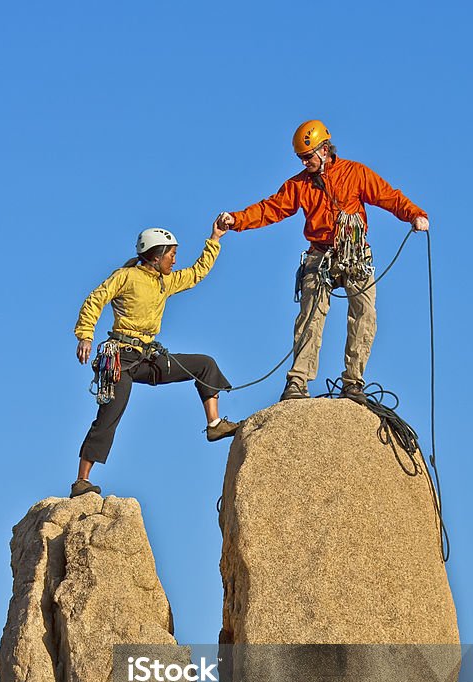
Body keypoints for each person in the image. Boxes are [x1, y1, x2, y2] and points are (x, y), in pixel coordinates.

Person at [218, 119, 429, 402]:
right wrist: (237, 220)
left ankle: (353, 382)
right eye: (301, 158)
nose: (305, 163)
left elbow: (389, 197)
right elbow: (271, 208)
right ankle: (298, 381)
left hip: (354, 253)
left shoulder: (355, 173)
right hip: (320, 255)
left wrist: (415, 214)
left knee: (365, 313)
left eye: (308, 157)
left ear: (325, 149)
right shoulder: (299, 185)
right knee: (310, 315)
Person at [71, 221, 238, 497]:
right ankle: (81, 480)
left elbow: (197, 273)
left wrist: (215, 239)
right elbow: (95, 299)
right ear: (155, 255)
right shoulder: (126, 277)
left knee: (204, 364)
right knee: (110, 414)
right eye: (171, 254)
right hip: (121, 359)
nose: (174, 259)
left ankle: (214, 425)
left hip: (148, 357)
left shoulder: (164, 282)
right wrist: (85, 335)